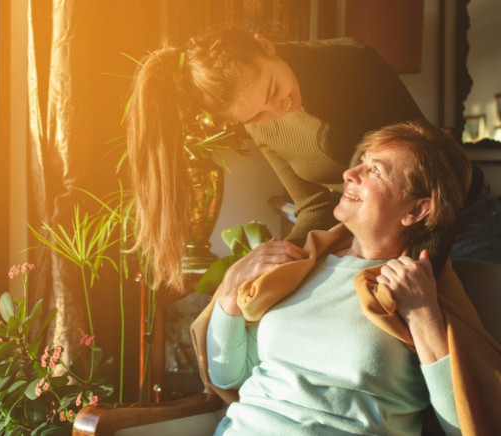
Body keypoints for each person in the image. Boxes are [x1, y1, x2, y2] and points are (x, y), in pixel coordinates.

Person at [125, 22, 501, 291]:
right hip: (386, 236)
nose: (278, 108)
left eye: (274, 88)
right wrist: (284, 266)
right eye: (257, 115)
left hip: (455, 214)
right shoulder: (260, 121)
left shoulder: (351, 63)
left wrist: (420, 275)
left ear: (266, 47)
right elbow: (314, 202)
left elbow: (429, 180)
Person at [191, 120, 501, 435]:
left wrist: (424, 316)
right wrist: (229, 294)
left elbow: (466, 424)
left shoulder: (420, 291)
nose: (349, 175)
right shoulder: (301, 267)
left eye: (375, 171)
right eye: (361, 163)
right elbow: (231, 378)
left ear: (417, 209)